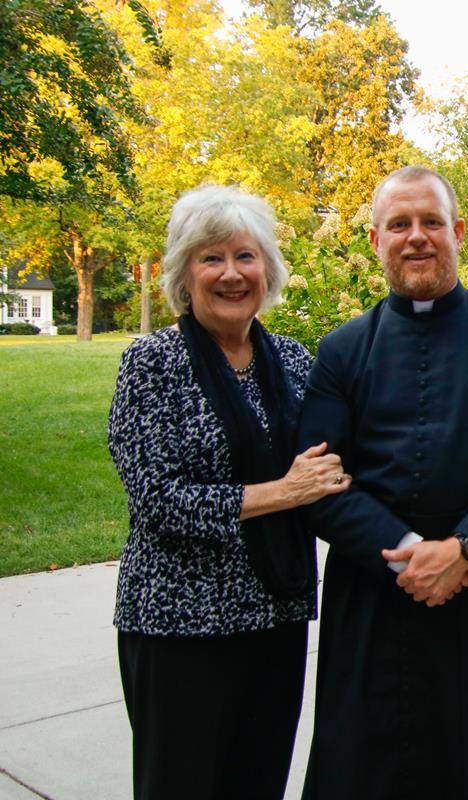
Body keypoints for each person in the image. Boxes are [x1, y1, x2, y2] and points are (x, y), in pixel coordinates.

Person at [297, 166, 468, 799]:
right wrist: (407, 551)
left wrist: (464, 549)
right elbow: (319, 479)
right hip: (378, 598)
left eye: (431, 222)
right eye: (399, 224)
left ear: (458, 232)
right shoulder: (341, 350)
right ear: (377, 240)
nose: (417, 236)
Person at [108, 184, 350, 800]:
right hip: (179, 624)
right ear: (184, 275)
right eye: (211, 258)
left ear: (267, 269)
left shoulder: (293, 362)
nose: (232, 273)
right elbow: (157, 500)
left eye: (246, 256)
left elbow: (330, 469)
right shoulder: (152, 363)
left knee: (259, 783)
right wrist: (281, 493)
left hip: (276, 616)